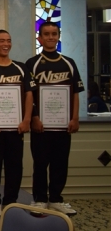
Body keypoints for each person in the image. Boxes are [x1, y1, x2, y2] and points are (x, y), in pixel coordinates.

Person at [25, 21, 84, 215]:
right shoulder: (32, 63)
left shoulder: (69, 63)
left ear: (58, 37)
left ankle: (56, 199)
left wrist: (75, 118)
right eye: (47, 34)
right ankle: (40, 199)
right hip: (41, 126)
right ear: (39, 38)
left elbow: (75, 93)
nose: (51, 37)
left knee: (60, 163)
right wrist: (34, 117)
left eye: (54, 34)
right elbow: (29, 95)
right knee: (40, 164)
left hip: (63, 125)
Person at [0, 30, 35, 217]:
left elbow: (29, 94)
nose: (6, 44)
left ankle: (10, 201)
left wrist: (27, 119)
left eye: (8, 41)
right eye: (2, 41)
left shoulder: (21, 68)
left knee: (15, 165)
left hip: (15, 127)